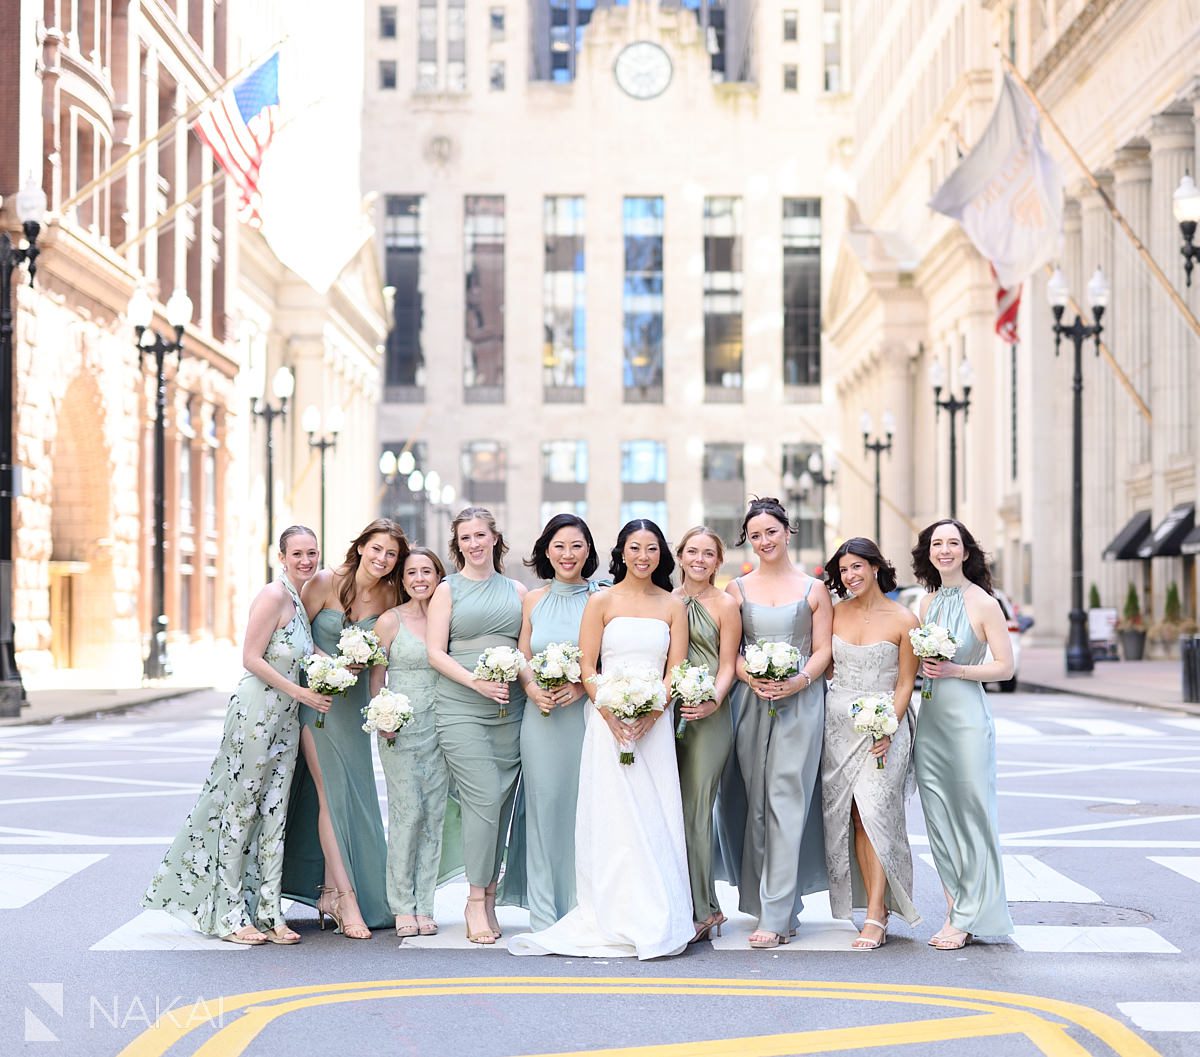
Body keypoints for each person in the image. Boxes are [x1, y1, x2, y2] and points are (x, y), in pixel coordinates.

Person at [509, 519, 695, 960]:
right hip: (605, 723)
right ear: (621, 552)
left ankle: (658, 911)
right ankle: (608, 907)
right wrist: (609, 711)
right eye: (635, 548)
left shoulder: (673, 605)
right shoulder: (601, 601)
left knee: (654, 812)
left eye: (652, 548)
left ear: (661, 555)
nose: (643, 556)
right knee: (612, 815)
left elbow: (676, 670)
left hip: (654, 727)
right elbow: (588, 666)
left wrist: (652, 713)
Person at [143, 526, 328, 945]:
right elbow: (251, 657)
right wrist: (300, 691)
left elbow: (307, 653)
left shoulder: (298, 601)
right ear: (281, 557)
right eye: (297, 553)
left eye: (312, 553)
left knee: (275, 814)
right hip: (256, 714)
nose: (306, 560)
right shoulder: (273, 596)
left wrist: (346, 662)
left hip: (286, 720)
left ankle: (269, 912)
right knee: (241, 811)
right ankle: (229, 915)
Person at [282, 518, 408, 939]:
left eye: (391, 554)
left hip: (355, 710)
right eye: (376, 549)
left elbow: (386, 657)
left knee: (355, 797)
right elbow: (297, 639)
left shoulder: (392, 595)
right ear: (361, 547)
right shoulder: (323, 582)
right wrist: (330, 664)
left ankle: (331, 892)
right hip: (319, 703)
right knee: (329, 795)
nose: (382, 558)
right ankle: (346, 899)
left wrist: (383, 709)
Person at [720, 497, 832, 949]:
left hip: (801, 703)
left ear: (788, 531)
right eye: (755, 535)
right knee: (757, 803)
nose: (764, 541)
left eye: (771, 531)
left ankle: (777, 913)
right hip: (749, 702)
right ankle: (771, 902)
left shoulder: (814, 589)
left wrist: (798, 680)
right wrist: (753, 678)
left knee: (787, 796)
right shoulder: (736, 589)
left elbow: (823, 651)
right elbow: (731, 654)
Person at [911, 518, 1015, 950]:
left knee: (973, 814)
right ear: (929, 553)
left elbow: (1005, 667)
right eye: (937, 543)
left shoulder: (985, 603)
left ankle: (971, 914)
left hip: (968, 721)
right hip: (931, 720)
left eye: (953, 543)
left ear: (966, 552)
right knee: (938, 818)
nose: (945, 550)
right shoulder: (926, 603)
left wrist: (957, 670)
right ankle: (956, 909)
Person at [426, 507, 527, 945]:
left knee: (501, 803)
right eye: (466, 538)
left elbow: (524, 650)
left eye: (480, 535)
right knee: (483, 796)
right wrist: (476, 682)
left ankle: (489, 897)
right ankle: (472, 900)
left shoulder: (518, 591)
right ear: (458, 544)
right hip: (461, 706)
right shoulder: (447, 590)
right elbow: (435, 652)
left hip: (509, 709)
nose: (474, 544)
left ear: (494, 538)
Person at [821, 537, 922, 950]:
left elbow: (905, 683)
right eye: (843, 570)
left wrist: (888, 727)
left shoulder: (904, 619)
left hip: (884, 728)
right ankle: (870, 907)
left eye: (857, 567)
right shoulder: (835, 613)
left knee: (877, 812)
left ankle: (878, 914)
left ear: (875, 567)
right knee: (855, 818)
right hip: (838, 728)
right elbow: (825, 666)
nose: (850, 576)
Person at [509, 513, 603, 931]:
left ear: (588, 551)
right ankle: (544, 912)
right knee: (544, 806)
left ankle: (583, 904)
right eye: (559, 546)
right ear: (546, 551)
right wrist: (531, 687)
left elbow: (607, 657)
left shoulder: (602, 597)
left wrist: (582, 688)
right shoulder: (533, 599)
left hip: (586, 717)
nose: (568, 554)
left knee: (585, 806)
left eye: (576, 546)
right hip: (542, 718)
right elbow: (523, 655)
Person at [369, 546, 457, 939]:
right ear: (402, 580)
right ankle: (402, 905)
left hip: (442, 725)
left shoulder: (448, 618)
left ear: (438, 576)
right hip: (401, 728)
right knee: (408, 813)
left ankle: (426, 905)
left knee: (434, 815)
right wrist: (383, 718)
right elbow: (377, 680)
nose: (420, 579)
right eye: (412, 573)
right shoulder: (390, 621)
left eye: (427, 572)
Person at [672, 526, 741, 942]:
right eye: (692, 552)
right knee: (671, 807)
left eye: (708, 554)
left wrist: (712, 701)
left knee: (697, 808)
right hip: (668, 713)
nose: (699, 560)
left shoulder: (726, 604)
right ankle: (686, 902)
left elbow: (728, 665)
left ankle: (704, 908)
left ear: (718, 562)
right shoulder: (666, 600)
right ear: (680, 556)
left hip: (711, 715)